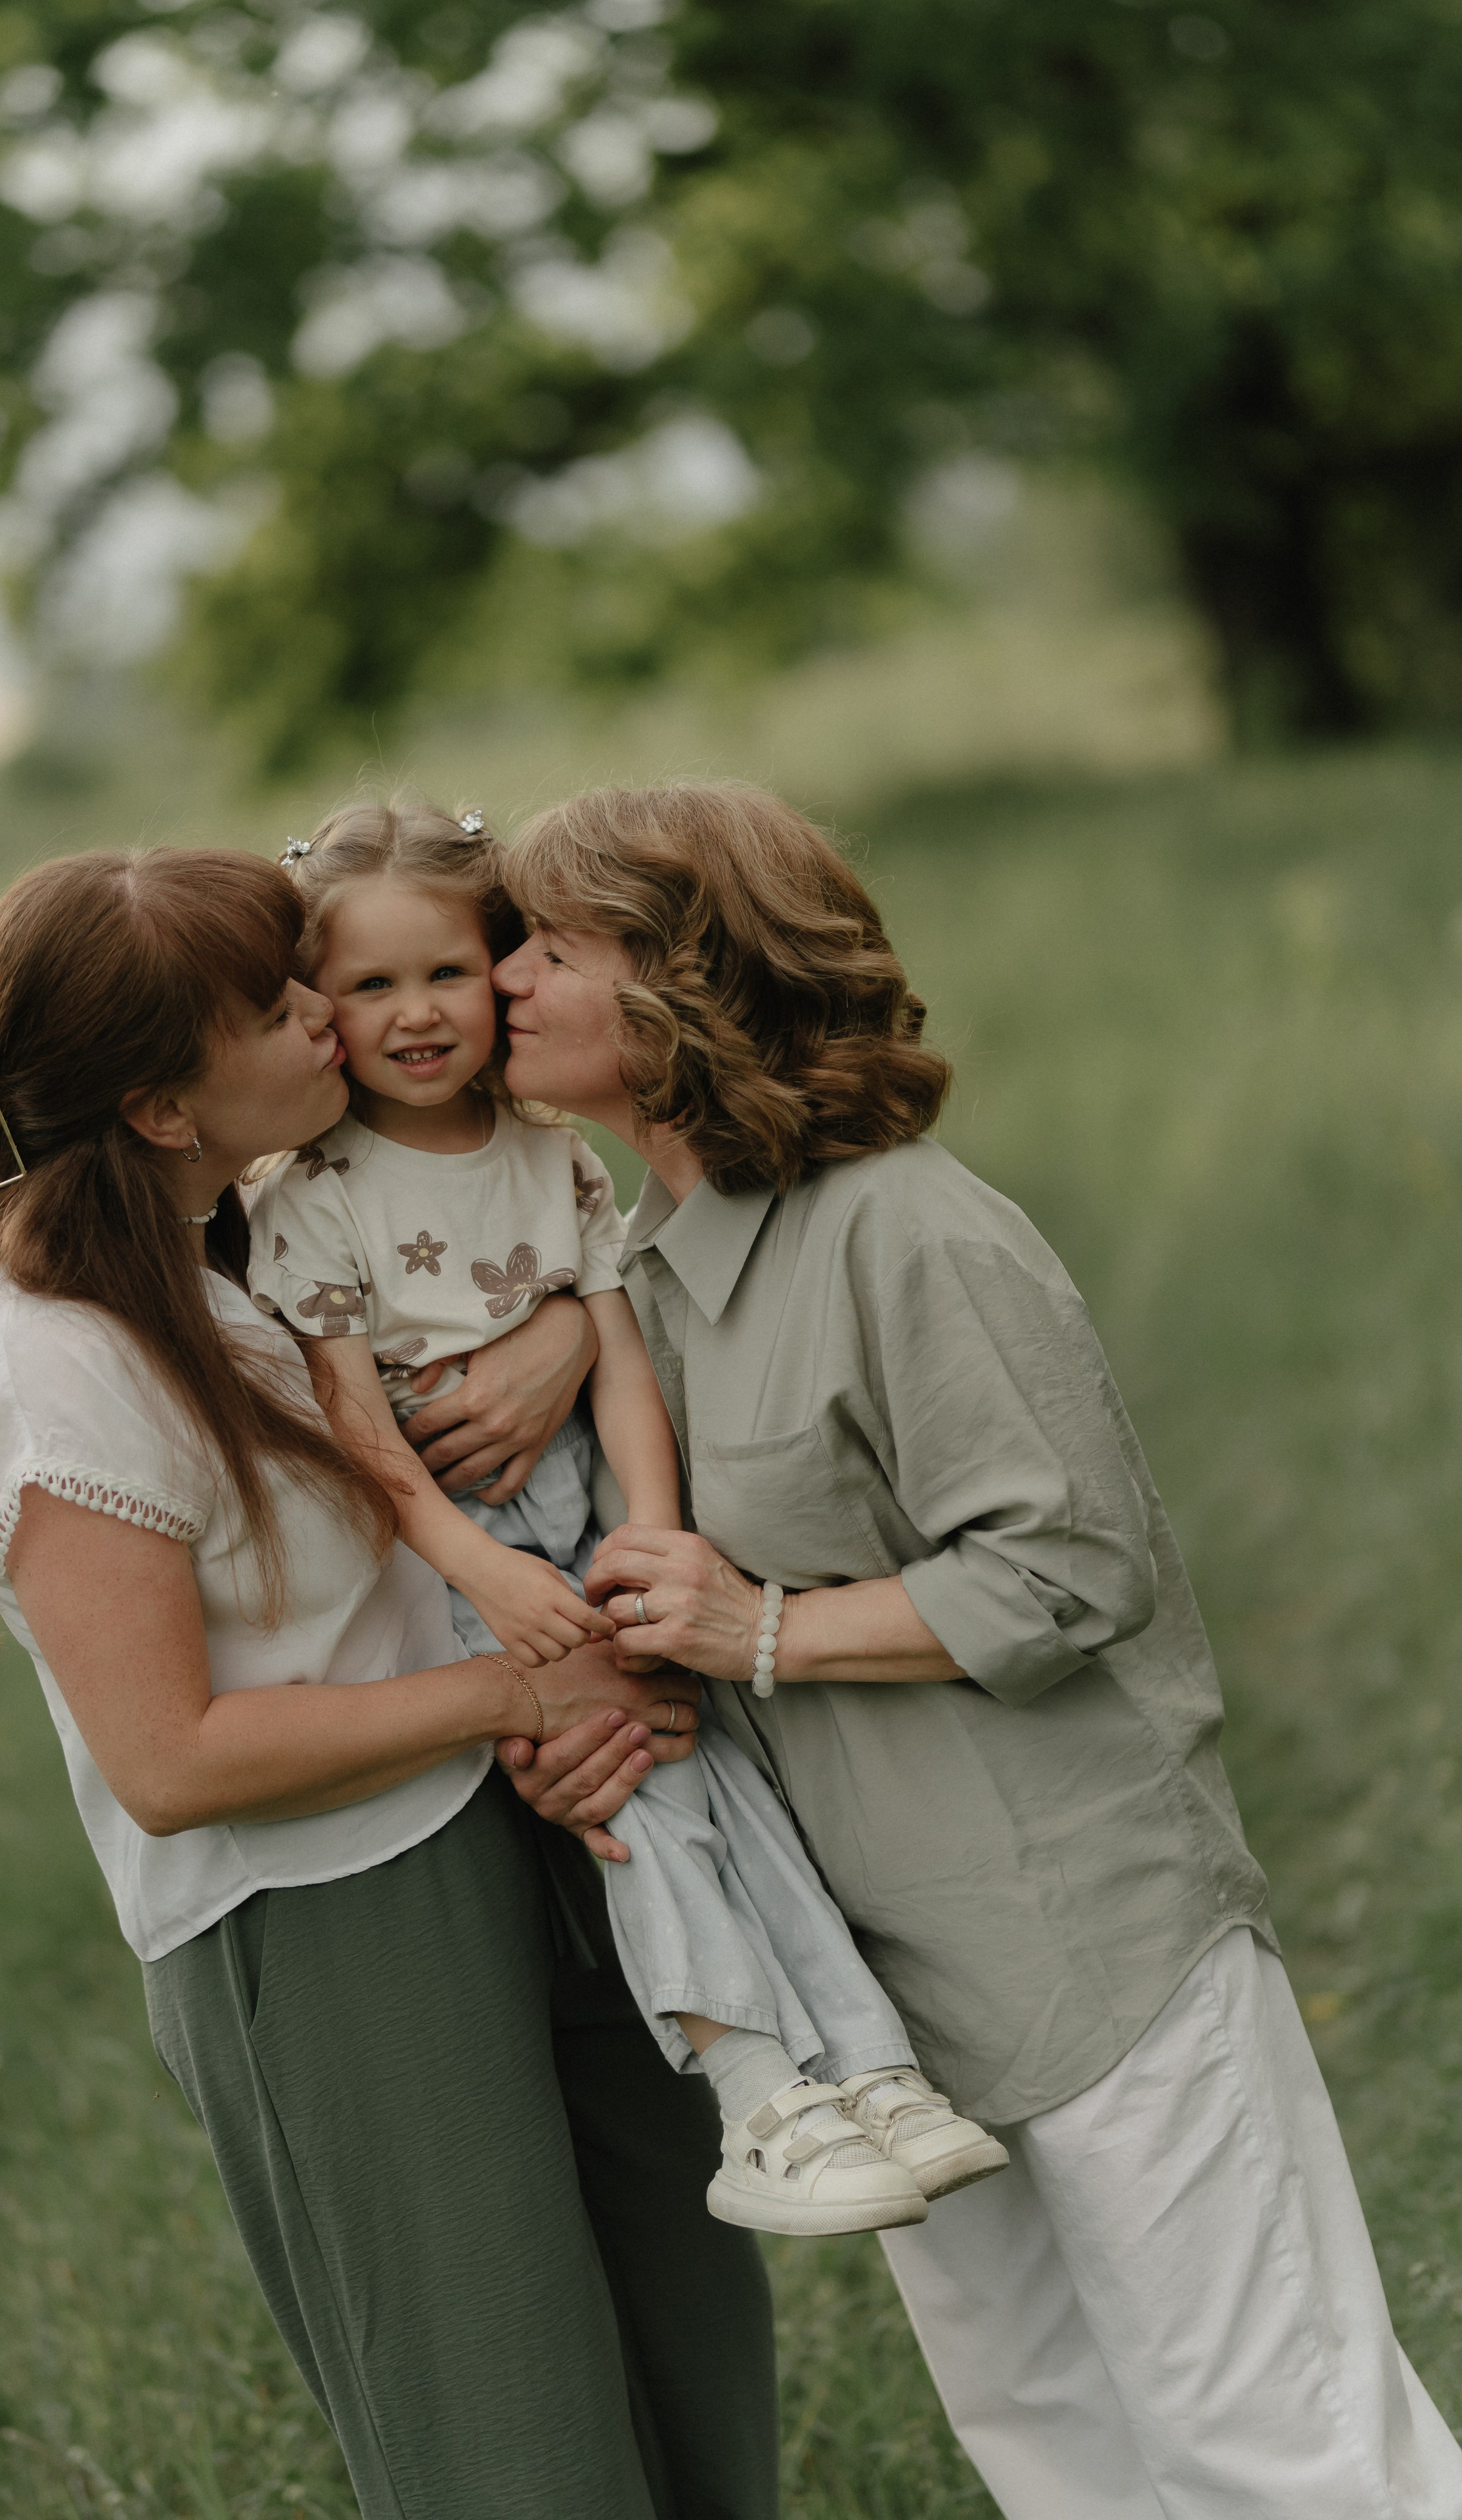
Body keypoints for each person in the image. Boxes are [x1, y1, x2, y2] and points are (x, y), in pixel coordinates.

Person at [489, 777, 1462, 2520]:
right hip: (879, 1992)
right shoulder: (640, 1278)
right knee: (1050, 2439)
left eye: (551, 949)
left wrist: (758, 1624)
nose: (503, 983)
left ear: (684, 983)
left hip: (1088, 1941)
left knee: (1275, 2443)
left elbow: (1072, 1564)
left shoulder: (909, 1229)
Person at [0, 845, 780, 2520]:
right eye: (284, 1004)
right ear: (155, 1104)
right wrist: (525, 1694)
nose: (332, 1018)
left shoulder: (246, 1235)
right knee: (511, 2433)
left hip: (511, 1832)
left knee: (683, 2347)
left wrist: (570, 1330)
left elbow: (484, 1276)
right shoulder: (54, 1358)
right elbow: (175, 1756)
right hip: (325, 1912)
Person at [246, 799, 1006, 2238]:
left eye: (449, 971)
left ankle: (875, 2065)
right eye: (369, 985)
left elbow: (621, 1366)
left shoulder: (557, 1156)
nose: (418, 1014)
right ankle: (757, 2094)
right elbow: (364, 1440)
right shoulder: (314, 1193)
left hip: (601, 1508)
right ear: (315, 1006)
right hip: (461, 1545)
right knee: (635, 1786)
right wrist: (487, 1569)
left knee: (730, 1777)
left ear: (498, 968)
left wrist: (654, 1539)